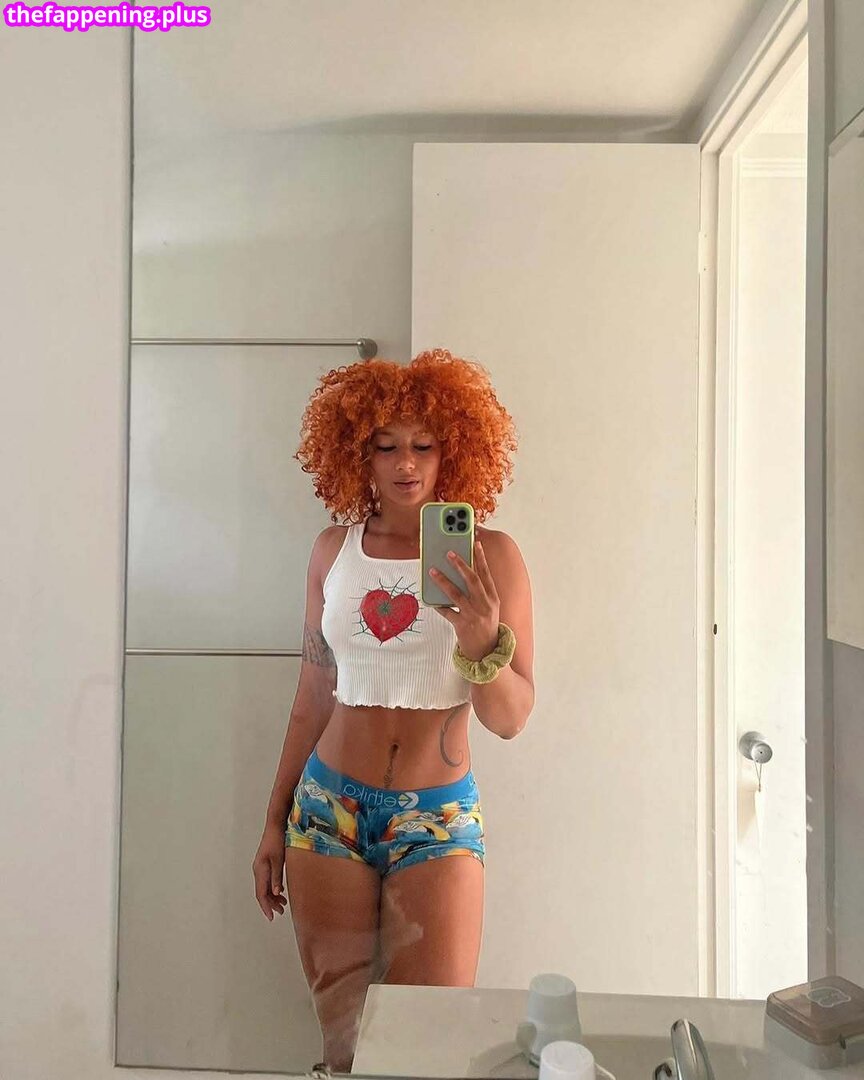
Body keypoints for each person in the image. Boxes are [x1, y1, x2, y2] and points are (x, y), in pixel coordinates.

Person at [252, 347, 535, 1072]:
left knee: (430, 1048)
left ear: (453, 450)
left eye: (424, 445)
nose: (406, 463)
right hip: (326, 813)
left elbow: (510, 719)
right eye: (386, 446)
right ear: (358, 454)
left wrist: (481, 639)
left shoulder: (492, 558)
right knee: (343, 1046)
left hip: (436, 820)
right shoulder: (332, 552)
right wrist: (274, 820)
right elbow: (312, 695)